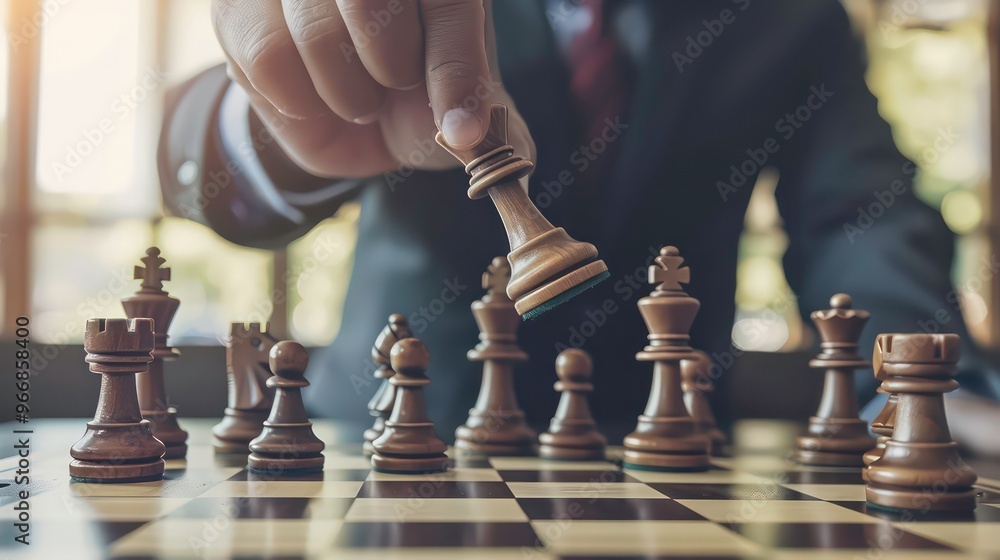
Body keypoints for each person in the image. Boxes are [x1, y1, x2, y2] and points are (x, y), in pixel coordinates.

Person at [159, 0, 1000, 453]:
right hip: (395, 440)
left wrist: (916, 386)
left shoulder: (790, 16)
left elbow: (861, 212)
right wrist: (285, 127)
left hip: (671, 450)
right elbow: (204, 178)